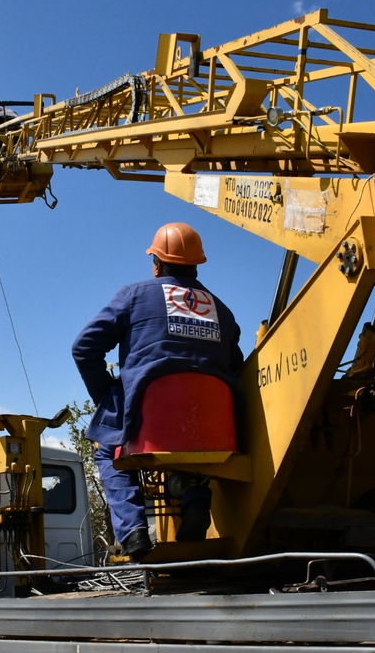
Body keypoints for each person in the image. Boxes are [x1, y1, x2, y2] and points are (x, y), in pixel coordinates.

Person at [72, 223, 243, 560]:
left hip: (149, 416)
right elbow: (234, 365)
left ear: (157, 264)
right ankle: (194, 498)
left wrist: (107, 398)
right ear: (197, 265)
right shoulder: (222, 310)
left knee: (108, 450)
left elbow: (84, 348)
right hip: (212, 426)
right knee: (191, 447)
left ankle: (134, 531)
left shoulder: (134, 296)